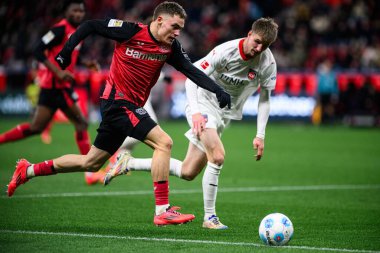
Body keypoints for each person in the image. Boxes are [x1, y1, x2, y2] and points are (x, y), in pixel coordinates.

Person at [7, 1, 231, 227]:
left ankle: (27, 170)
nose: (177, 32)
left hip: (124, 106)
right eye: (174, 26)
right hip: (118, 102)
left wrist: (217, 89)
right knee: (164, 142)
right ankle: (162, 210)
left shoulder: (170, 48)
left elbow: (191, 70)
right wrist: (66, 51)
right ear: (159, 20)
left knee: (91, 162)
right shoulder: (130, 31)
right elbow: (90, 26)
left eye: (180, 28)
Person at [103, 17, 279, 229]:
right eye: (257, 41)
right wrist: (196, 112)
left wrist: (260, 135)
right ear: (250, 34)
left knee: (188, 171)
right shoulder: (225, 51)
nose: (258, 48)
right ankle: (210, 218)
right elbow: (190, 79)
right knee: (218, 156)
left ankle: (127, 163)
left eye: (265, 45)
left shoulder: (267, 62)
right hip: (202, 104)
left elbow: (265, 99)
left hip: (223, 114)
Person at [0, 0, 92, 166]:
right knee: (81, 123)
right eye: (75, 11)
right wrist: (58, 72)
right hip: (55, 85)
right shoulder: (59, 29)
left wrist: (85, 63)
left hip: (58, 86)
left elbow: (69, 53)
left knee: (37, 127)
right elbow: (37, 49)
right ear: (66, 12)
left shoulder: (76, 31)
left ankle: (90, 169)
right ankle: (90, 169)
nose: (78, 14)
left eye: (81, 11)